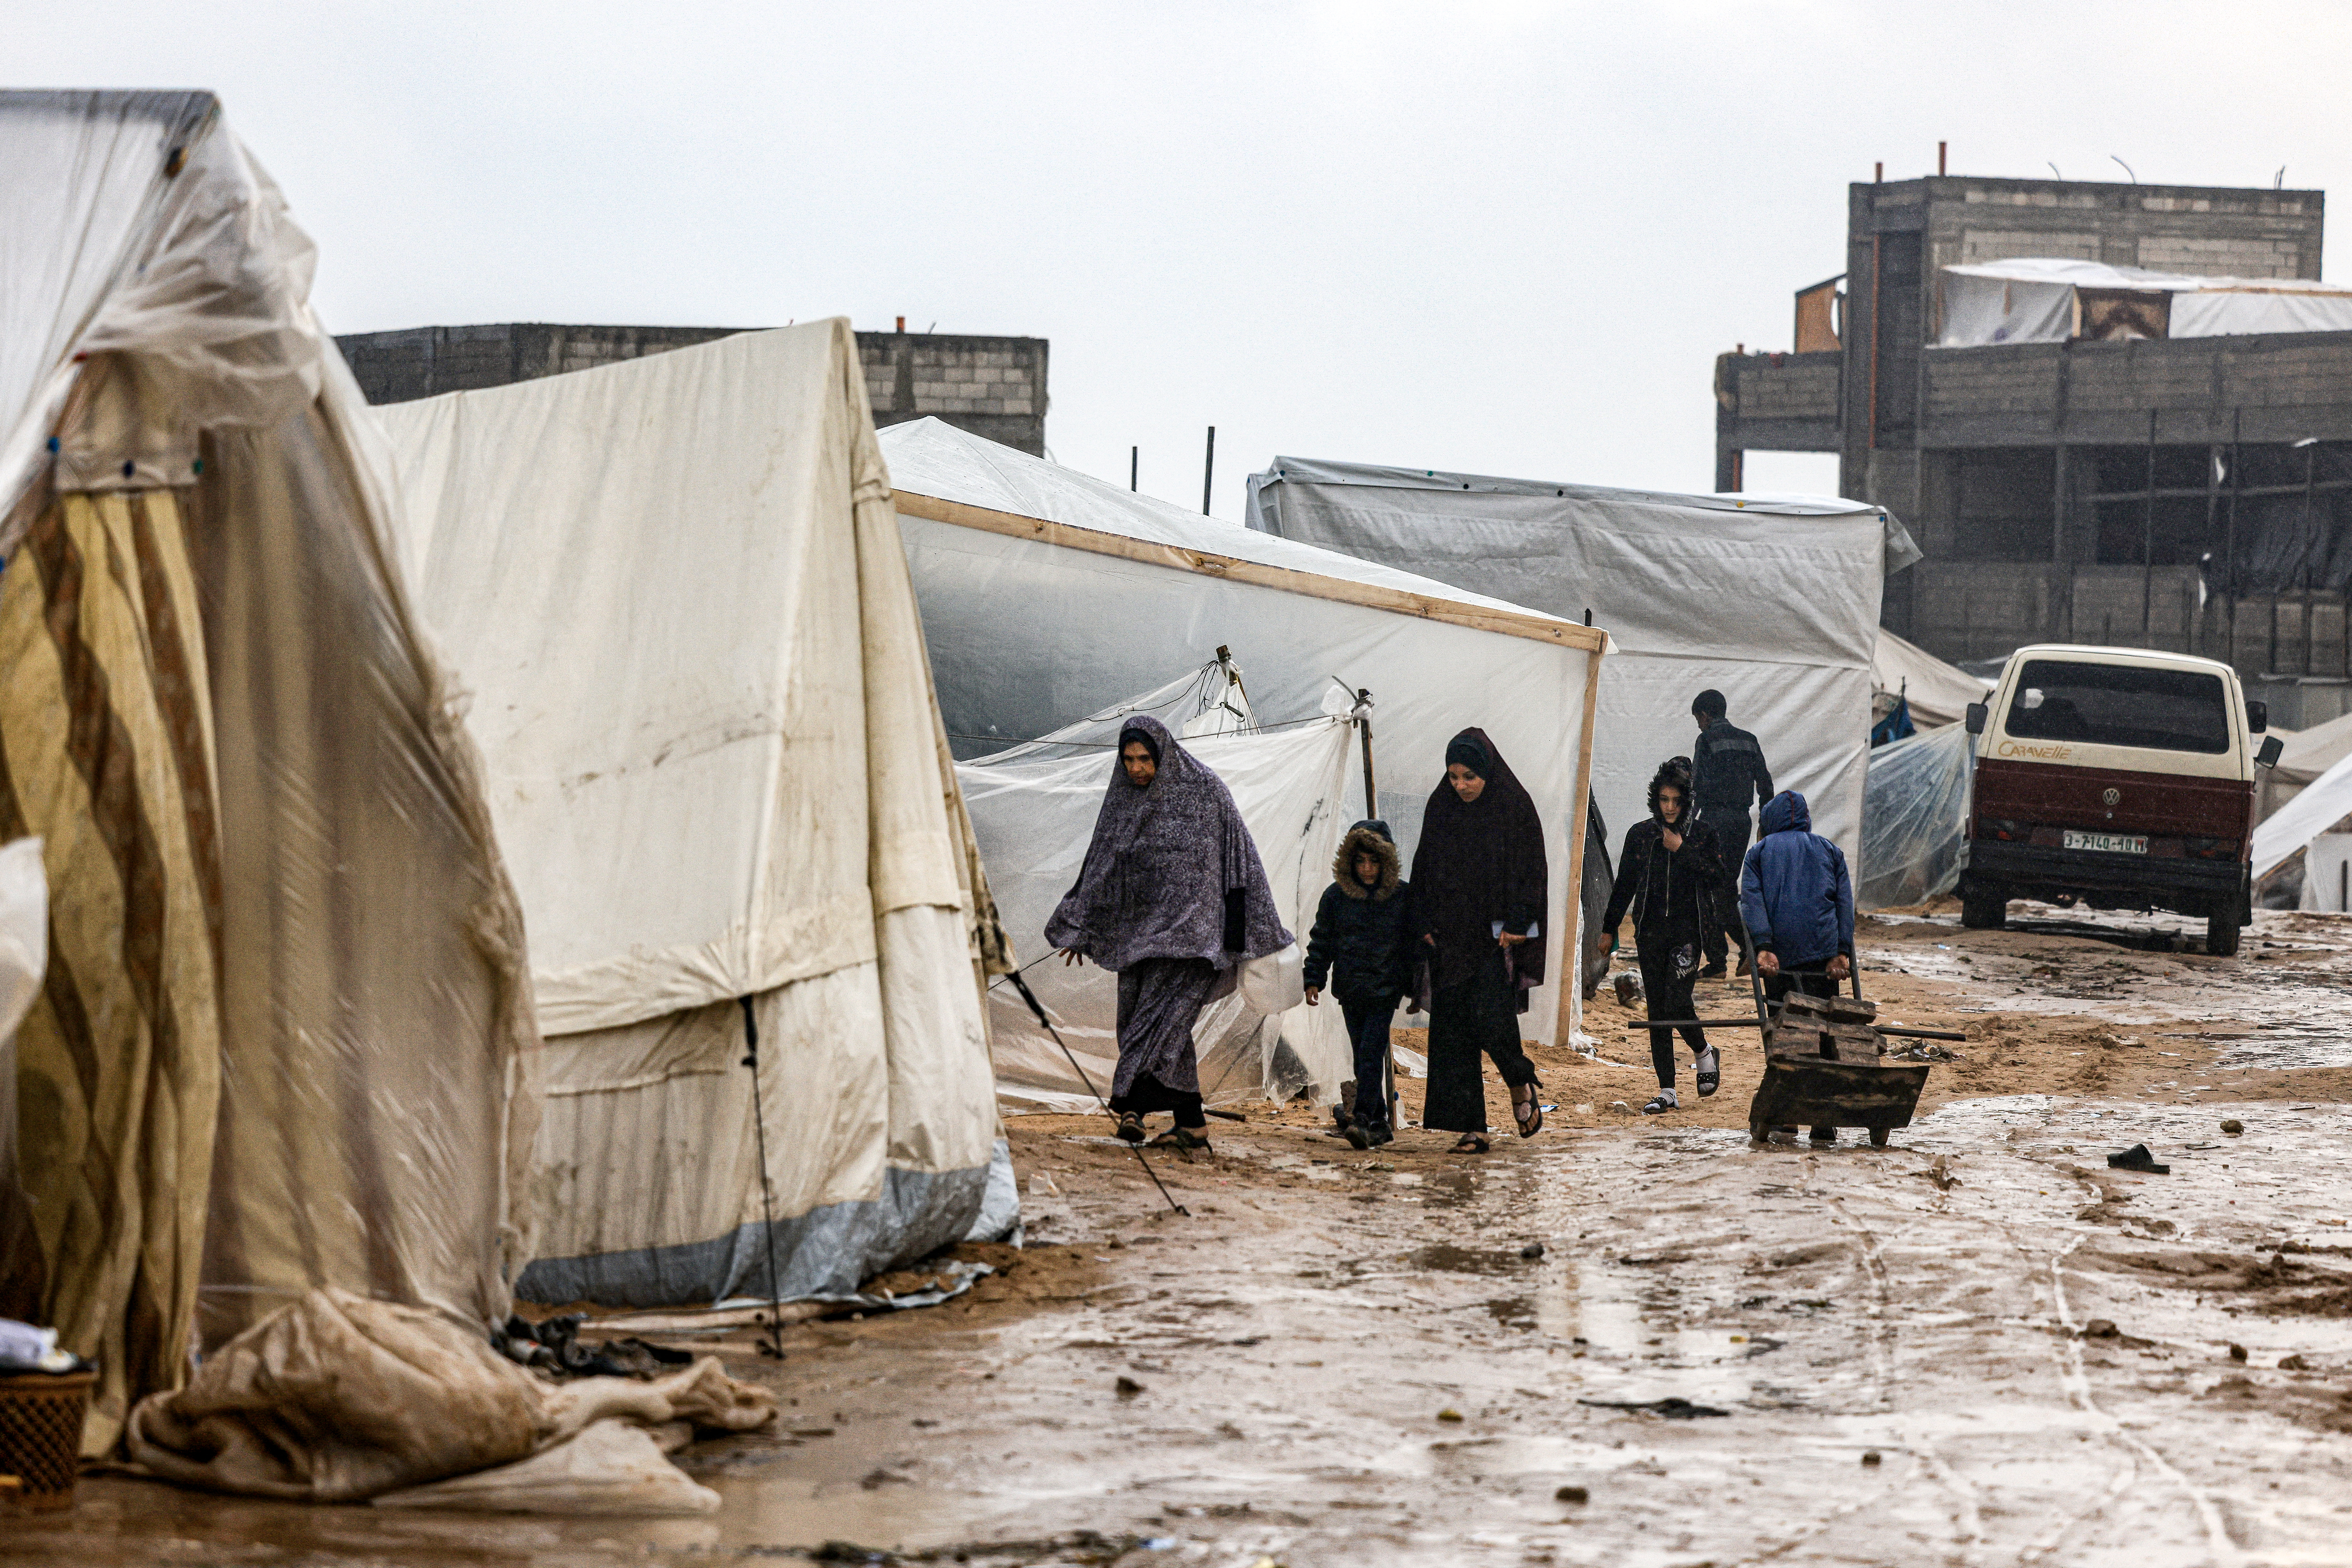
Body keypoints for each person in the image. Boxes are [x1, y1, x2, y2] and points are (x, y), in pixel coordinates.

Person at [1048, 715, 1291, 1153]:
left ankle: (1131, 1108)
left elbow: (1242, 858)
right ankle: (1191, 1124)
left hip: (1195, 942)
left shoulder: (1205, 790)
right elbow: (1105, 861)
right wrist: (1083, 925)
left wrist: (1251, 932)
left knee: (1159, 1028)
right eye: (1128, 760)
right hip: (1140, 938)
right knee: (1147, 1028)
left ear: (1163, 753)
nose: (1137, 769)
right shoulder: (1124, 800)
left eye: (1145, 759)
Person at [1410, 729, 1547, 1154]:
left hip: (1494, 933)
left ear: (1486, 772)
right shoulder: (1441, 806)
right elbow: (1425, 867)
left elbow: (1532, 870)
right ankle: (1471, 1126)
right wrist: (1423, 922)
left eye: (1469, 776)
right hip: (1450, 933)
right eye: (1453, 777)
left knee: (1491, 1017)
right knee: (1453, 1027)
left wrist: (1521, 920)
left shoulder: (1514, 806)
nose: (1461, 786)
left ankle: (1520, 1082)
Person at [1593, 759, 1725, 1115]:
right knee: (1657, 1011)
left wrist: (1681, 848)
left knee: (1677, 1000)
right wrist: (1608, 928)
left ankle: (1702, 1052)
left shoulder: (1703, 834)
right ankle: (1667, 1090)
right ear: (1656, 798)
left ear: (1687, 801)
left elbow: (1717, 876)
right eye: (1663, 799)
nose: (1669, 807)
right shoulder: (1640, 834)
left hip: (1687, 934)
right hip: (1649, 932)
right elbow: (1624, 885)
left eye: (1676, 801)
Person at [1739, 789, 1856, 1146]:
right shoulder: (1829, 850)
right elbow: (1843, 902)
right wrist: (1840, 952)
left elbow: (1752, 901)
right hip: (1822, 963)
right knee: (1823, 1035)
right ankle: (1823, 1120)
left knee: (1784, 1035)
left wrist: (1763, 948)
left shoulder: (1758, 853)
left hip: (1779, 963)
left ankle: (1787, 1118)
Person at [1304, 819, 1415, 1149]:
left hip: (1385, 990)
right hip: (1350, 990)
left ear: (1386, 861)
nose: (1367, 869)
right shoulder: (1336, 897)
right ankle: (1380, 1123)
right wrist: (1313, 978)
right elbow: (1321, 940)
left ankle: (1363, 1119)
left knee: (1369, 1055)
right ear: (1350, 861)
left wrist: (1413, 989)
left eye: (1374, 861)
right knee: (1362, 1057)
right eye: (1360, 861)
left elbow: (1412, 947)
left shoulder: (1401, 897)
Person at [1691, 689, 1774, 978]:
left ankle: (1720, 961)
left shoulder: (1707, 740)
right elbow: (1766, 785)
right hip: (1742, 822)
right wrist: (1765, 824)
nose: (1699, 726)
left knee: (1707, 890)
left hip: (1714, 821)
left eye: (1698, 720)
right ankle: (1746, 950)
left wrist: (1686, 827)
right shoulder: (1749, 741)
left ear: (1704, 715)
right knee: (1726, 888)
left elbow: (1697, 790)